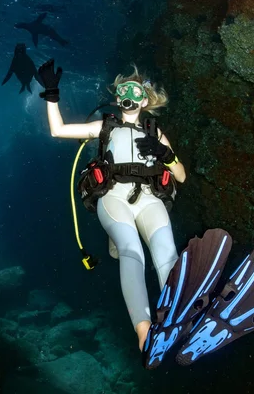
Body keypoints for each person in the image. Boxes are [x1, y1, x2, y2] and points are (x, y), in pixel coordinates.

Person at [37, 59, 186, 350]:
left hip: (149, 200)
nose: (129, 95)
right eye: (123, 90)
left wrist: (164, 153)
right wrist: (52, 95)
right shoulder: (104, 126)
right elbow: (58, 130)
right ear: (118, 98)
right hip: (113, 199)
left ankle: (177, 315)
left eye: (135, 90)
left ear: (145, 99)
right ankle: (144, 333)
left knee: (167, 253)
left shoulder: (155, 132)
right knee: (133, 253)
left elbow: (180, 175)